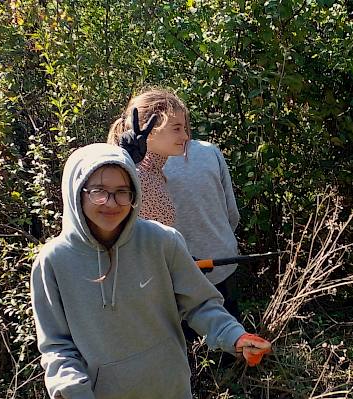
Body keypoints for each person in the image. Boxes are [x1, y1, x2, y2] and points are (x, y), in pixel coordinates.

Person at [30, 143, 272, 399]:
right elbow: (57, 346)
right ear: (77, 192)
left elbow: (200, 305)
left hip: (171, 389)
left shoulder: (162, 241)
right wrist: (72, 392)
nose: (111, 203)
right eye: (99, 192)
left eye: (122, 192)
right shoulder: (53, 261)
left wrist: (234, 336)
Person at [165, 139, 244, 320]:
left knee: (187, 340)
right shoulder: (209, 151)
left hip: (173, 276)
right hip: (222, 261)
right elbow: (232, 214)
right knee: (231, 334)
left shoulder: (138, 163)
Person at [108, 87, 191, 226]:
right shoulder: (138, 176)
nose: (185, 136)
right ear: (149, 129)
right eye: (177, 128)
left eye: (184, 128)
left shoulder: (152, 172)